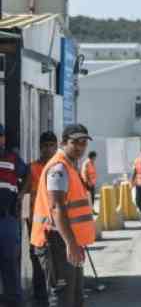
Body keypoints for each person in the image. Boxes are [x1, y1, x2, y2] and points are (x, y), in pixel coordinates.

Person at [31, 124, 95, 307]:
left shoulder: (70, 167)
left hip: (67, 241)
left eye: (83, 143)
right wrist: (71, 243)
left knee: (75, 299)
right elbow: (57, 207)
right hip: (55, 241)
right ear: (63, 142)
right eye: (75, 142)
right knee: (62, 299)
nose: (80, 147)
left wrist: (76, 243)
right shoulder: (59, 168)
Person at [27, 131, 58, 306]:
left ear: (56, 146)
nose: (48, 149)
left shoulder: (60, 168)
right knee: (38, 263)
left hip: (56, 226)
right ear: (40, 148)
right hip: (36, 226)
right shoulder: (32, 169)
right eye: (45, 146)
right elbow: (24, 196)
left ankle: (54, 297)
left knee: (55, 264)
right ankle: (40, 299)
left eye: (51, 145)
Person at [0, 124, 29, 307]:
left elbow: (28, 175)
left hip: (6, 220)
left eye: (0, 136)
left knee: (10, 263)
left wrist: (20, 195)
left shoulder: (12, 158)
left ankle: (15, 302)